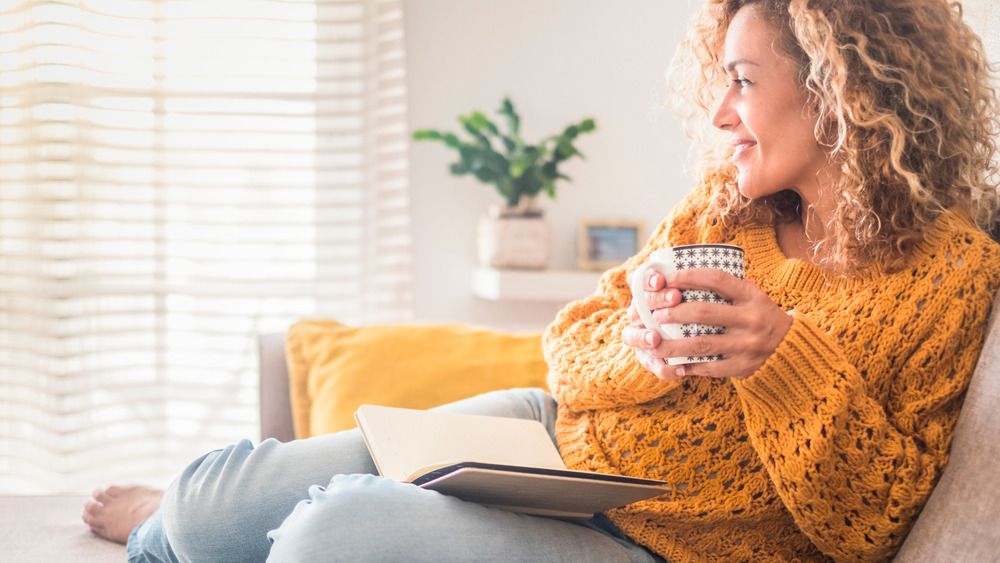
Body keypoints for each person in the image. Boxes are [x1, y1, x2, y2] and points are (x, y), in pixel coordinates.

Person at [84, 0, 1000, 561]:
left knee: (328, 537)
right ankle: (175, 529)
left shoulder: (952, 275)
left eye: (744, 81)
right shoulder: (732, 208)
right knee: (211, 502)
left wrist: (781, 360)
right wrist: (643, 344)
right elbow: (569, 349)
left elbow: (874, 525)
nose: (720, 113)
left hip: (662, 544)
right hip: (549, 441)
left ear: (841, 90)